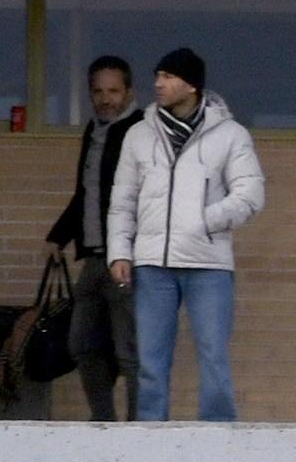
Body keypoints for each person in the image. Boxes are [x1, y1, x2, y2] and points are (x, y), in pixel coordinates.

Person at [106, 46, 263, 423]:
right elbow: (122, 201)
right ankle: (150, 436)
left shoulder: (230, 134)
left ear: (191, 86)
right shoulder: (139, 135)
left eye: (168, 77)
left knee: (213, 355)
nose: (158, 84)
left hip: (208, 264)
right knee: (150, 360)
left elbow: (251, 195)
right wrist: (119, 252)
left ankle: (218, 437)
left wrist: (202, 220)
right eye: (157, 76)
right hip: (152, 264)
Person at [47, 53, 145, 421]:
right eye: (98, 91)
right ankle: (103, 421)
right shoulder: (95, 129)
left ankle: (140, 428)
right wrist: (59, 235)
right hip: (92, 258)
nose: (106, 99)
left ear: (129, 91)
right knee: (82, 345)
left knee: (129, 352)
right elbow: (87, 192)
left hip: (128, 260)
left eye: (113, 91)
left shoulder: (141, 130)